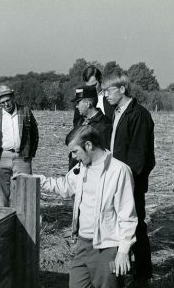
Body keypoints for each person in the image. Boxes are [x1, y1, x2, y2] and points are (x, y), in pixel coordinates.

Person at [38, 125, 137, 288]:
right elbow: (64, 186)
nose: (73, 156)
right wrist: (36, 179)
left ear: (89, 145)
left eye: (75, 151)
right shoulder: (81, 167)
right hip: (82, 244)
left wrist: (123, 251)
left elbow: (127, 216)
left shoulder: (119, 171)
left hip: (107, 248)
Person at [102, 71, 155, 287]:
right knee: (121, 228)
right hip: (118, 180)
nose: (105, 95)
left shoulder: (138, 114)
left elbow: (140, 156)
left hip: (131, 182)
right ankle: (124, 271)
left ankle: (142, 277)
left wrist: (126, 182)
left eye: (109, 90)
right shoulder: (117, 112)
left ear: (122, 89)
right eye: (103, 91)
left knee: (135, 228)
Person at [0, 85, 39, 207]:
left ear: (13, 98)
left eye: (8, 100)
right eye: (2, 103)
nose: (6, 104)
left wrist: (30, 153)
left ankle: (22, 221)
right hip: (0, 157)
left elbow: (34, 133)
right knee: (2, 194)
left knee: (24, 191)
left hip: (21, 157)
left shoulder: (25, 111)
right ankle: (5, 219)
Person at [69, 84, 112, 169]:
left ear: (88, 104)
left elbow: (103, 155)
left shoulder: (104, 125)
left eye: (78, 102)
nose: (76, 106)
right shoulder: (80, 122)